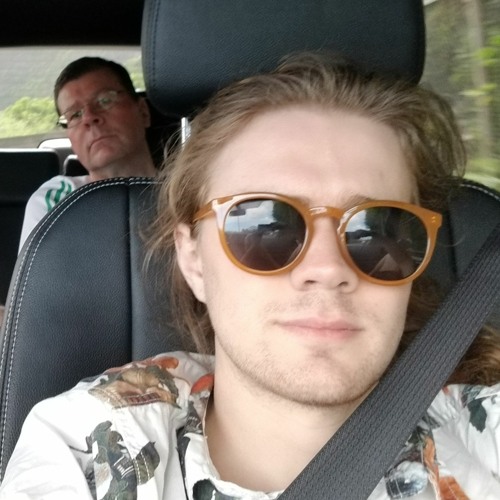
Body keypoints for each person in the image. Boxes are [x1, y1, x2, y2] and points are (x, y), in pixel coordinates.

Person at [1, 52, 500, 499]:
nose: (328, 269)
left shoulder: (483, 434)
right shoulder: (88, 447)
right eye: (265, 226)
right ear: (193, 259)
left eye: (377, 229)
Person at [18, 57, 157, 250]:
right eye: (75, 114)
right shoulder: (56, 201)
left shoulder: (188, 189)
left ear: (143, 112)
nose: (89, 118)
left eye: (105, 100)